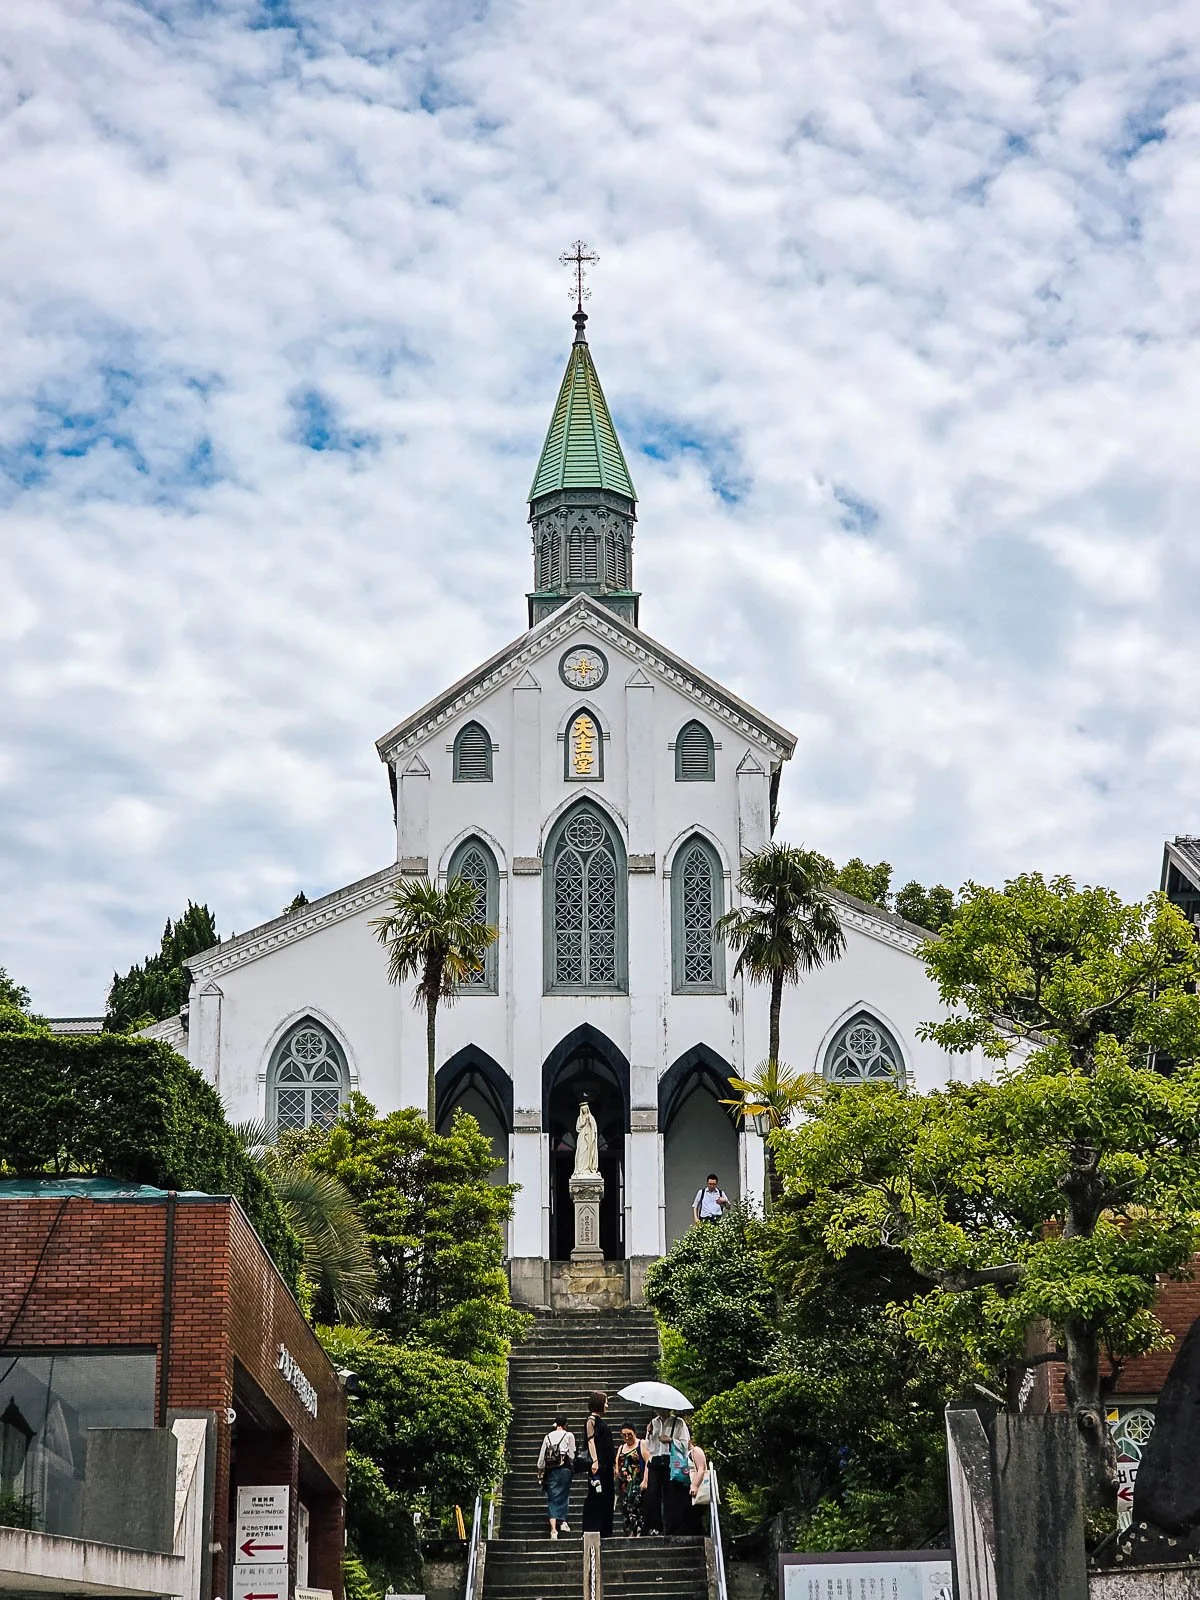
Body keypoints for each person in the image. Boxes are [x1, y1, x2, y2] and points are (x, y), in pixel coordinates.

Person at [642, 1409, 690, 1533]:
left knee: (671, 1496)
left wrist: (671, 1440)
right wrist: (649, 1434)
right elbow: (649, 1447)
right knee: (652, 1494)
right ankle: (654, 1527)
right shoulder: (653, 1422)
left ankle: (672, 1528)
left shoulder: (678, 1423)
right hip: (656, 1460)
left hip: (671, 1461)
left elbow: (685, 1445)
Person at [537, 1411, 576, 1540]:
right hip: (564, 1470)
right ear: (565, 1424)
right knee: (564, 1494)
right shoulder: (569, 1435)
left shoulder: (547, 1436)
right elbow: (572, 1455)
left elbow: (541, 1459)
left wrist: (540, 1472)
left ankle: (553, 1530)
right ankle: (563, 1521)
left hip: (551, 1471)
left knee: (552, 1498)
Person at [581, 1390, 615, 1538]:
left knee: (607, 1496)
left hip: (606, 1466)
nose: (607, 1405)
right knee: (596, 1496)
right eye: (605, 1402)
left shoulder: (600, 1421)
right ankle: (592, 1528)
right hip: (598, 1465)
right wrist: (595, 1461)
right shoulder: (591, 1420)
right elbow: (590, 1440)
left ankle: (605, 1530)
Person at [614, 1424, 648, 1537]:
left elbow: (648, 1461)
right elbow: (617, 1463)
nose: (627, 1437)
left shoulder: (641, 1444)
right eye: (624, 1435)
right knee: (626, 1509)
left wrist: (645, 1480)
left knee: (637, 1509)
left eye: (629, 1434)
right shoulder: (621, 1448)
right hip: (624, 1485)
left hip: (637, 1482)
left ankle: (638, 1532)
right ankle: (628, 1532)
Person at [688, 1440, 710, 1533]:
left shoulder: (695, 1450)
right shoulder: (679, 1452)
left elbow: (702, 1468)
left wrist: (695, 1485)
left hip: (695, 1488)